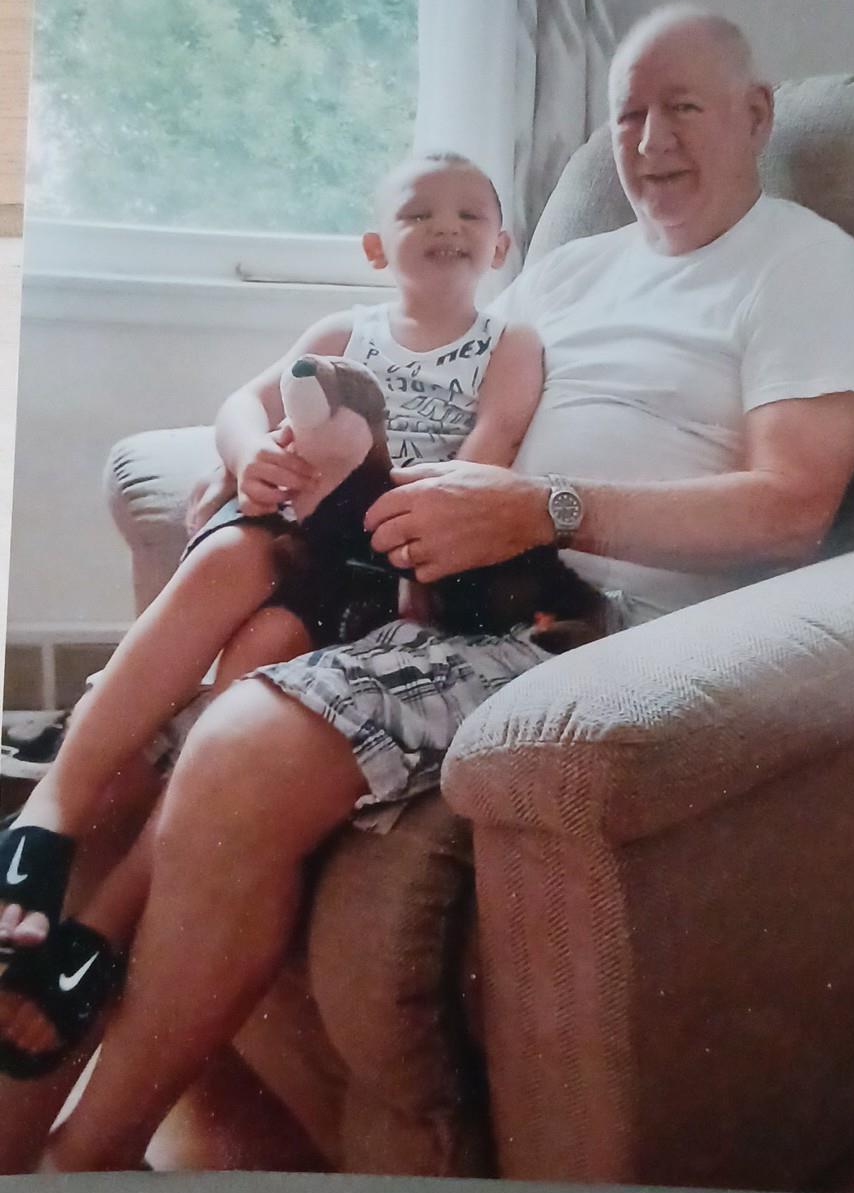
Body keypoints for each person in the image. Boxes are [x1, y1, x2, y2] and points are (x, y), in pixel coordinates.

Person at [0, 2, 854, 1171]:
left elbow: (791, 504)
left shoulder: (807, 268)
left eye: (681, 108)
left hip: (584, 627)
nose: (648, 141)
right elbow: (421, 381)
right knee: (126, 750)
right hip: (446, 578)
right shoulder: (569, 272)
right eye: (626, 114)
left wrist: (542, 507)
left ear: (755, 115)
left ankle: (88, 1164)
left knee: (239, 748)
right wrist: (276, 458)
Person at [0, 151, 543, 972]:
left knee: (267, 648)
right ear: (375, 247)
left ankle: (111, 919)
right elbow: (241, 405)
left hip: (382, 559)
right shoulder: (342, 334)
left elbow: (485, 459)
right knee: (228, 558)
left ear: (500, 246)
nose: (446, 227)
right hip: (291, 529)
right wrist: (248, 455)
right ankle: (49, 814)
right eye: (418, 214)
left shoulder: (509, 343)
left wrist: (418, 550)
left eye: (470, 215)